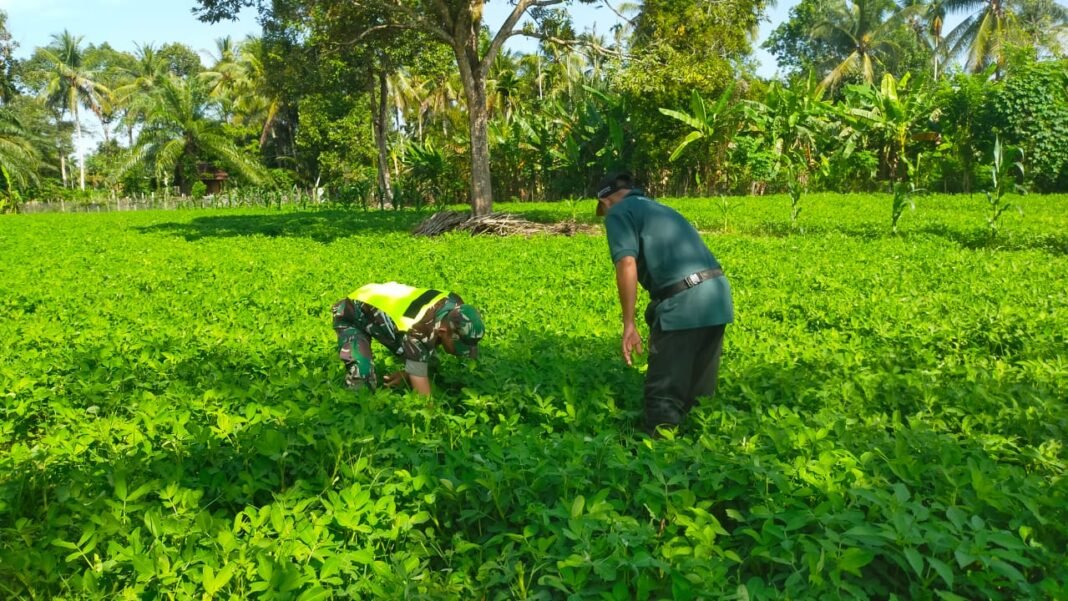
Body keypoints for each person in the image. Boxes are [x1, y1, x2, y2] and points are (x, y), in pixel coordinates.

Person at [595, 171, 734, 435]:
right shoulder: (659, 209)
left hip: (684, 303)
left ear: (606, 201)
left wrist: (629, 323)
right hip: (717, 296)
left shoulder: (618, 212)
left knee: (663, 397)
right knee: (698, 396)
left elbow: (626, 262)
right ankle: (698, 459)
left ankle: (659, 462)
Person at [331, 282, 484, 395]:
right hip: (352, 311)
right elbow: (423, 399)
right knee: (362, 381)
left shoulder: (456, 305)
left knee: (430, 365)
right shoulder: (418, 331)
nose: (460, 353)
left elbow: (428, 344)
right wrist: (435, 423)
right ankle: (354, 414)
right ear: (443, 331)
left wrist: (407, 373)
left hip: (379, 296)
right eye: (458, 344)